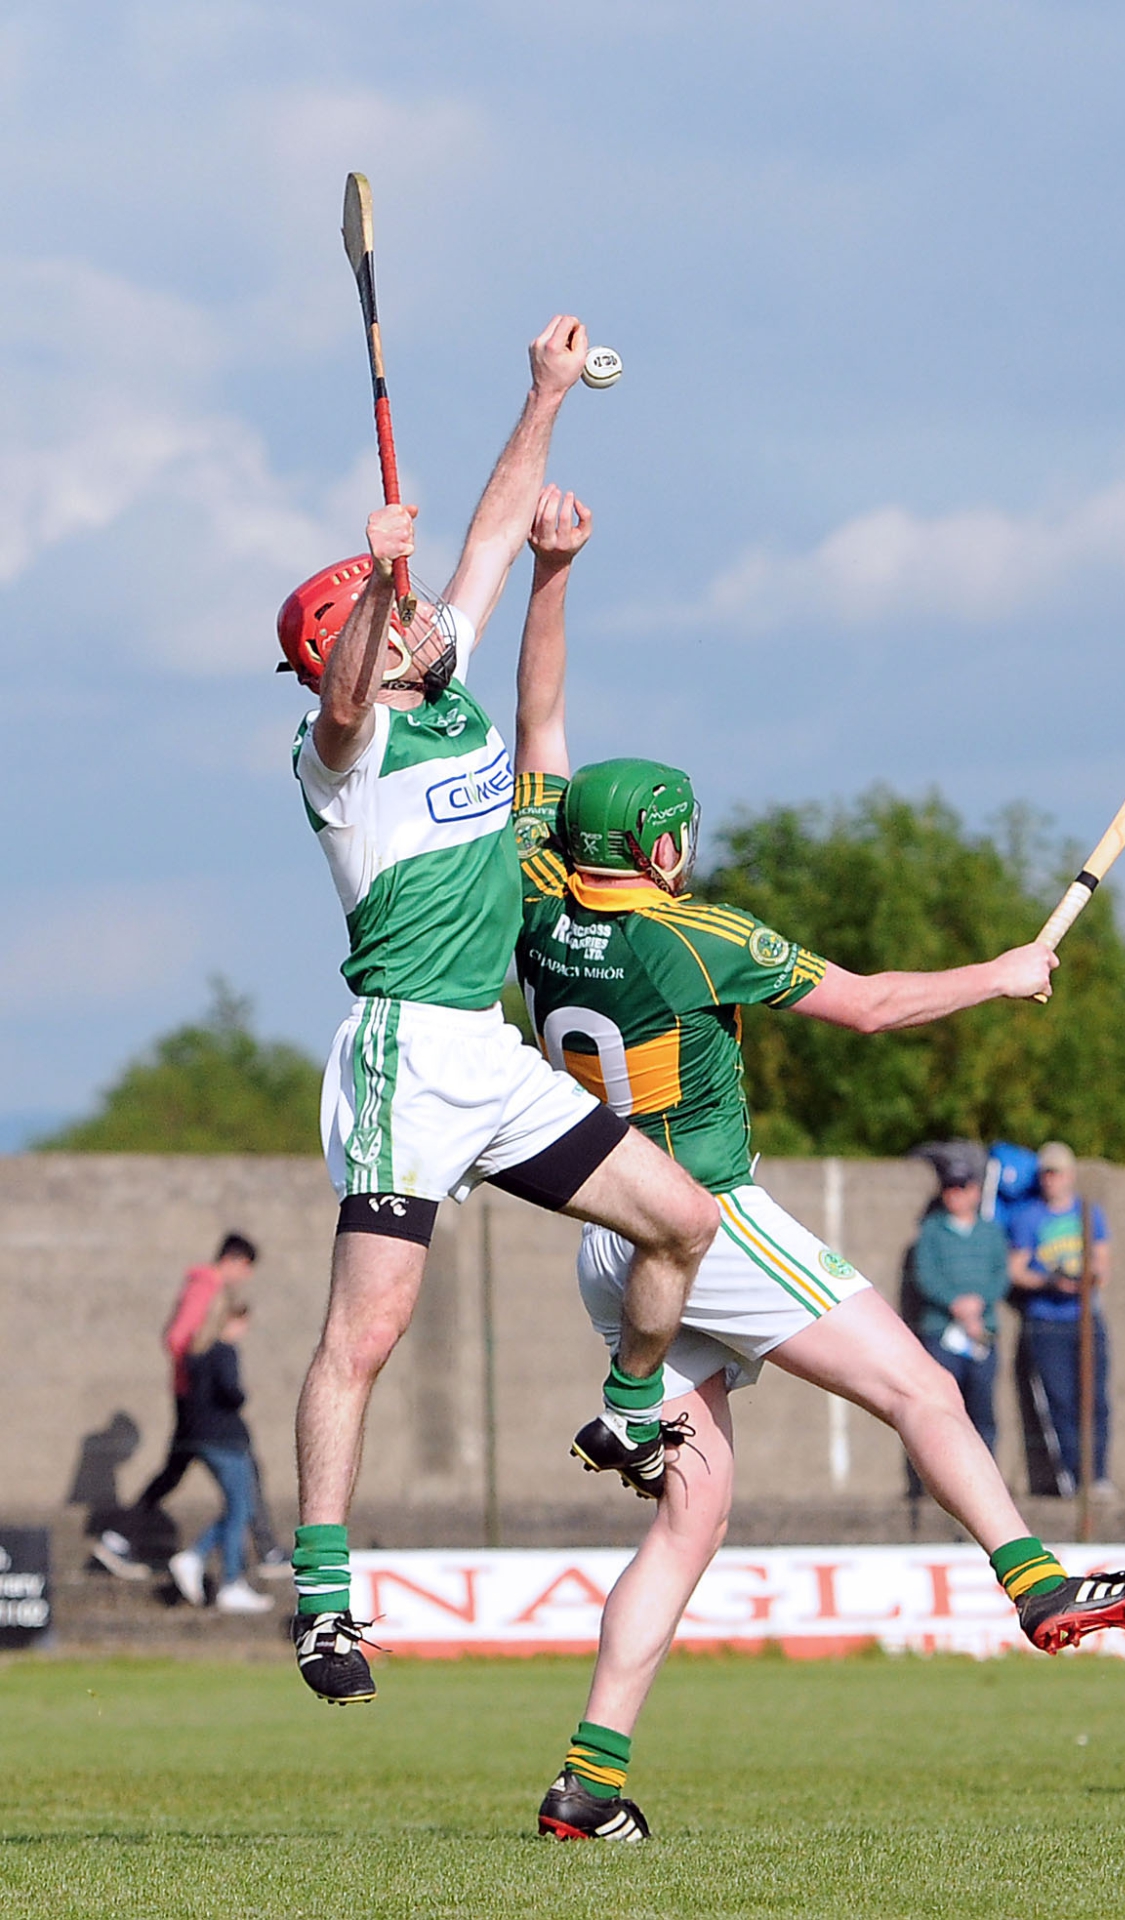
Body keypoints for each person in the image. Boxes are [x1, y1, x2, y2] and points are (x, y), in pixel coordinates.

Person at [511, 485, 1125, 1842]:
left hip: (605, 1239)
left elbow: (540, 728)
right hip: (703, 1220)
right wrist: (1003, 973)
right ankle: (1037, 1581)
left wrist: (551, 574)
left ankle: (588, 1784)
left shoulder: (534, 892)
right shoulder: (699, 935)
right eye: (676, 833)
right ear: (656, 847)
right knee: (921, 1387)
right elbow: (874, 1006)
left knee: (690, 1522)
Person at [277, 318, 719, 1705]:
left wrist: (543, 396)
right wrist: (375, 584)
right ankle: (324, 1604)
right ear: (357, 644)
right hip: (405, 1053)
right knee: (366, 1334)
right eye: (391, 613)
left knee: (680, 1221)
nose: (422, 613)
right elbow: (341, 704)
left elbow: (490, 529)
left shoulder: (447, 680)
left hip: (492, 1050)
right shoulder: (342, 755)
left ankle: (631, 1407)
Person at [92, 1234, 290, 1581]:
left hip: (194, 1399)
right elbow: (176, 1338)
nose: (245, 1278)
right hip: (198, 1401)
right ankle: (267, 1550)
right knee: (242, 1468)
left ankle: (118, 1539)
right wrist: (204, 1373)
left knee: (175, 1471)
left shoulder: (204, 1285)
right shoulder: (206, 1285)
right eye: (246, 1269)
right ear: (233, 1260)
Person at [1008, 1140, 1112, 1494]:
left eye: (1057, 1173)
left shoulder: (1089, 1213)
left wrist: (1086, 1279)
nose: (1051, 1181)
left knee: (1094, 1399)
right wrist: (1050, 1282)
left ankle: (1097, 1475)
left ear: (1070, 1175)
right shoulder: (1028, 1218)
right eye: (1046, 1174)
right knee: (1060, 1400)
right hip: (1046, 1319)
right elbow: (1016, 1270)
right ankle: (1073, 1475)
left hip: (1084, 1316)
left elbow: (1103, 1262)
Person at [167, 1291, 273, 1614]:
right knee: (241, 1509)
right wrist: (241, 1395)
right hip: (226, 1440)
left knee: (238, 1508)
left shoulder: (196, 1352)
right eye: (243, 1322)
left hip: (200, 1438)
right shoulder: (224, 1351)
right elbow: (231, 1392)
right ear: (230, 1319)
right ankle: (229, 1580)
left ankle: (196, 1558)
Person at [905, 1144, 1010, 1455]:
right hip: (941, 1334)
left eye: (962, 1187)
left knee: (982, 1412)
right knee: (941, 1412)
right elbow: (925, 1276)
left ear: (975, 1191)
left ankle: (985, 1471)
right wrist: (956, 1304)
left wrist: (977, 1306)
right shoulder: (931, 1231)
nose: (955, 1194)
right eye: (949, 1187)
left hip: (981, 1333)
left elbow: (1000, 1275)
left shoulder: (990, 1232)